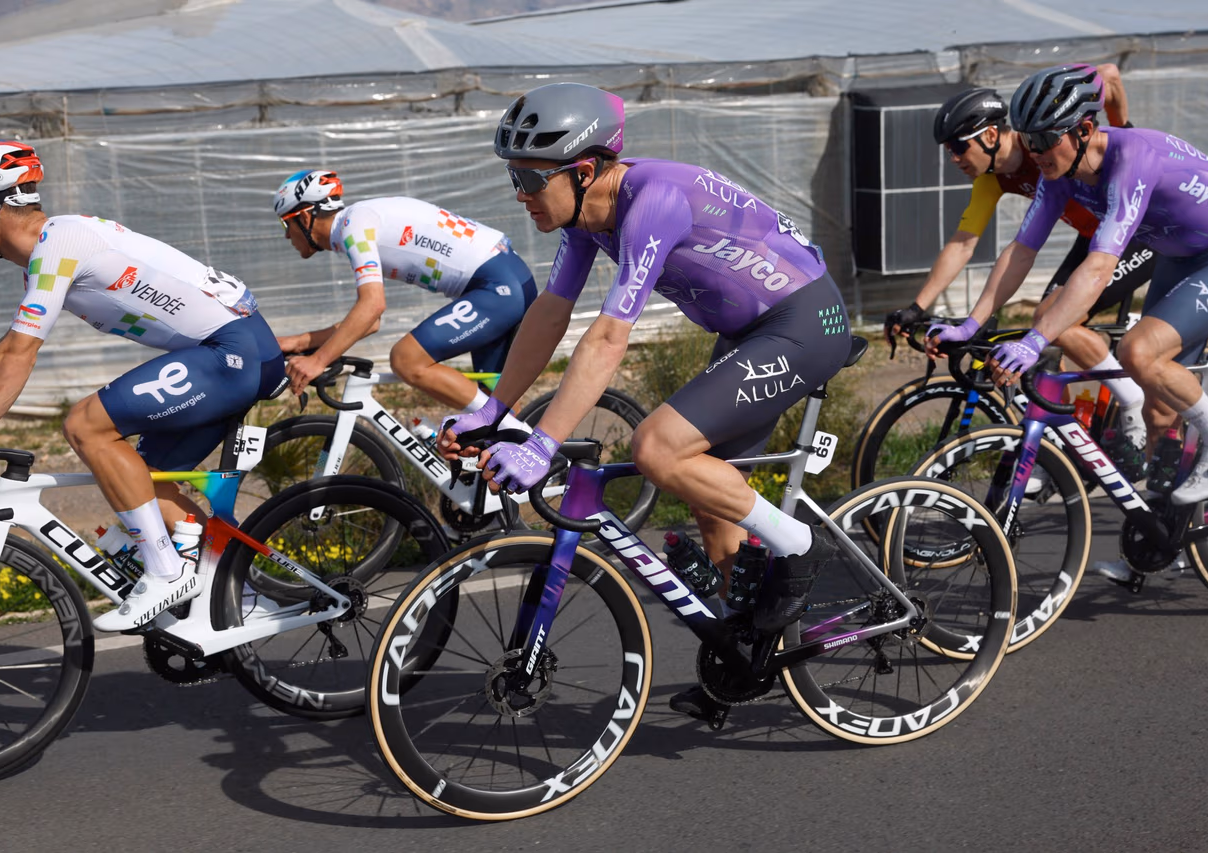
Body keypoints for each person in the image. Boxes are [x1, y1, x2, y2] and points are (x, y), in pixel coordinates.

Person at [434, 82, 852, 718]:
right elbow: (550, 315)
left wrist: (543, 444)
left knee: (657, 447)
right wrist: (495, 410)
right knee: (713, 504)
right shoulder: (584, 219)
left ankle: (799, 546)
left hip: (804, 322)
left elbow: (607, 337)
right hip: (750, 332)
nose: (518, 194)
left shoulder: (652, 201)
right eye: (513, 176)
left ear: (582, 170)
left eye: (527, 177)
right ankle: (745, 661)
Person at [0, 140, 285, 631]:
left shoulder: (58, 244)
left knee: (86, 426)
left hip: (231, 352)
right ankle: (242, 606)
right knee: (142, 481)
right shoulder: (54, 247)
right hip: (237, 348)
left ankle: (165, 573)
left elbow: (19, 355)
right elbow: (8, 348)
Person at [927, 64, 1208, 509]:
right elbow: (1021, 251)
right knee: (1158, 409)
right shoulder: (1058, 173)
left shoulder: (1130, 160)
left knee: (1138, 353)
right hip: (1179, 256)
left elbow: (1099, 268)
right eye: (1028, 139)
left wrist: (1035, 340)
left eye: (1045, 139)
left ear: (1083, 129)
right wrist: (971, 324)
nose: (1036, 151)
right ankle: (1160, 543)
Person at [887, 69, 1152, 472]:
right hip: (1093, 238)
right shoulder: (993, 179)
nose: (954, 158)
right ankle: (1068, 449)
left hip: (1136, 232)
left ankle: (1132, 401)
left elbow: (1111, 77)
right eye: (948, 151)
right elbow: (963, 243)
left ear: (990, 136)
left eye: (959, 147)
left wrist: (1119, 136)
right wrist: (916, 307)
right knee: (1046, 334)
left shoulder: (1043, 139)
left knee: (1051, 320)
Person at [272, 170, 537, 419]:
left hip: (496, 284)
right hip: (502, 280)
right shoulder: (355, 224)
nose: (286, 237)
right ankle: (522, 445)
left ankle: (496, 423)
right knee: (496, 398)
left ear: (305, 217)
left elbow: (372, 306)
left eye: (286, 226)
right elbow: (368, 321)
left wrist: (318, 361)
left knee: (406, 358)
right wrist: (297, 343)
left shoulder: (353, 226)